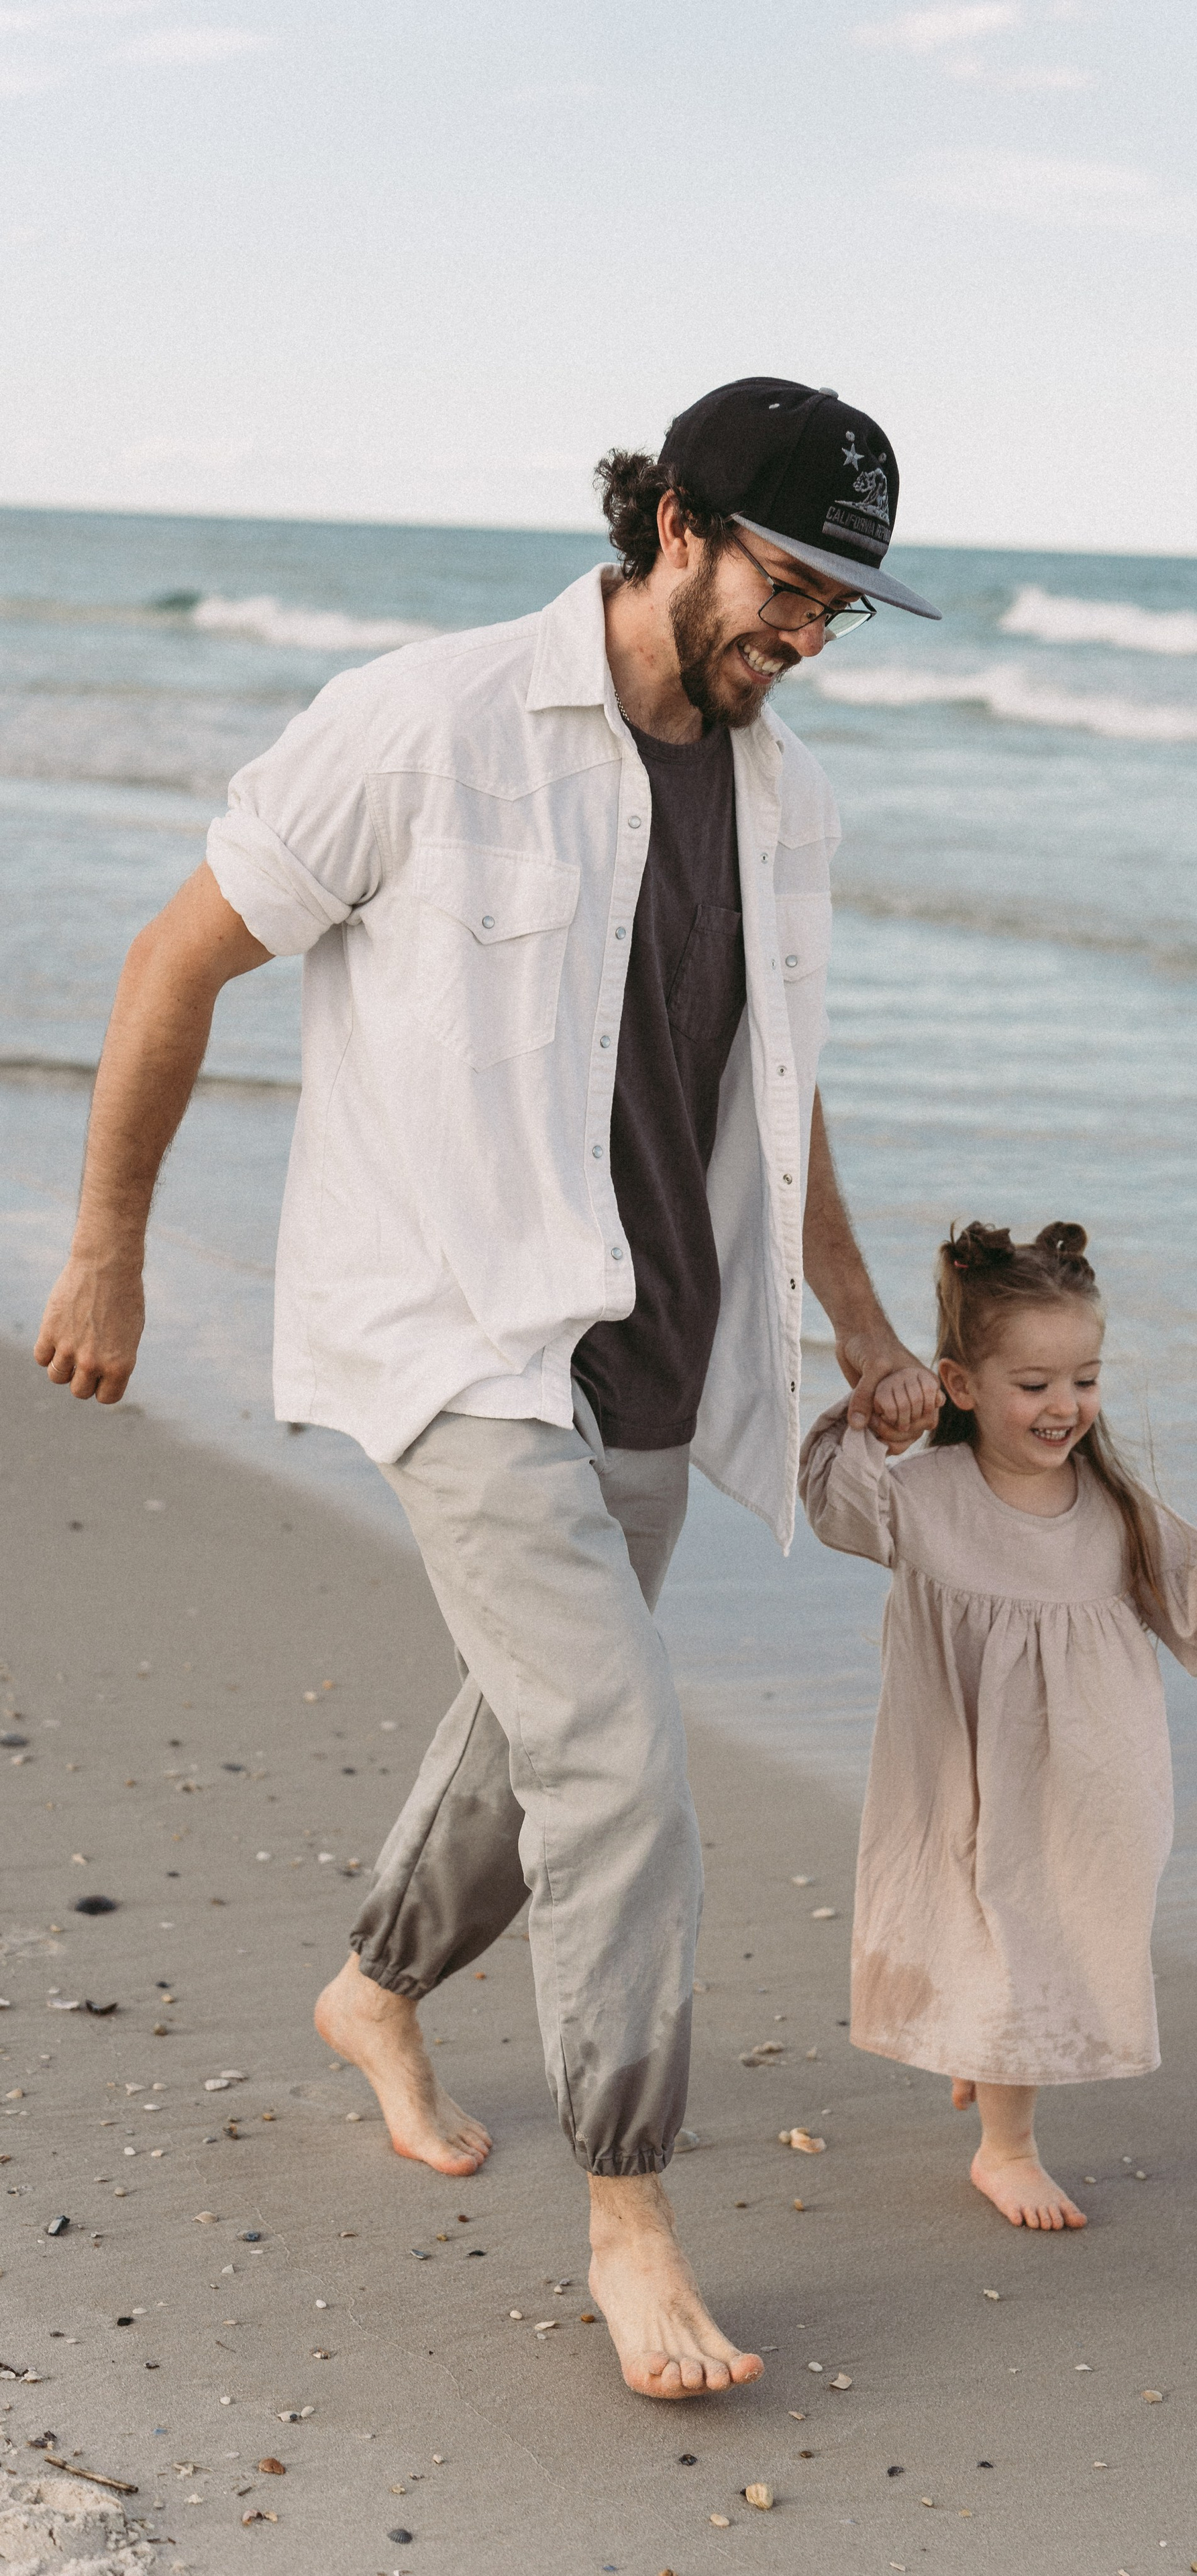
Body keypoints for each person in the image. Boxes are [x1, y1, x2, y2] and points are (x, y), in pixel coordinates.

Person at [33, 377, 945, 2398]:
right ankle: (631, 2219)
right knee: (616, 1758)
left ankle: (374, 1989)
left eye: (842, 614)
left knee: (532, 1732)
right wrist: (108, 1248)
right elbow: (175, 963)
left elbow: (773, 1091)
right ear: (679, 522)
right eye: (790, 587)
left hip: (655, 1340)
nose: (804, 639)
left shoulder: (785, 799)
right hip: (457, 1329)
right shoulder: (431, 722)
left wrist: (868, 1334)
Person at [798, 1220, 1197, 2231]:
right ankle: (1005, 2149)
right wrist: (869, 1418)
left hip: (1089, 1786)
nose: (1066, 1406)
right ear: (961, 1385)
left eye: (1085, 1379)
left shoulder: (1113, 1506)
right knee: (1003, 1926)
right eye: (1035, 1384)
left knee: (1040, 1933)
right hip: (965, 1775)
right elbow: (835, 1507)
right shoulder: (924, 1499)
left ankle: (992, 2049)